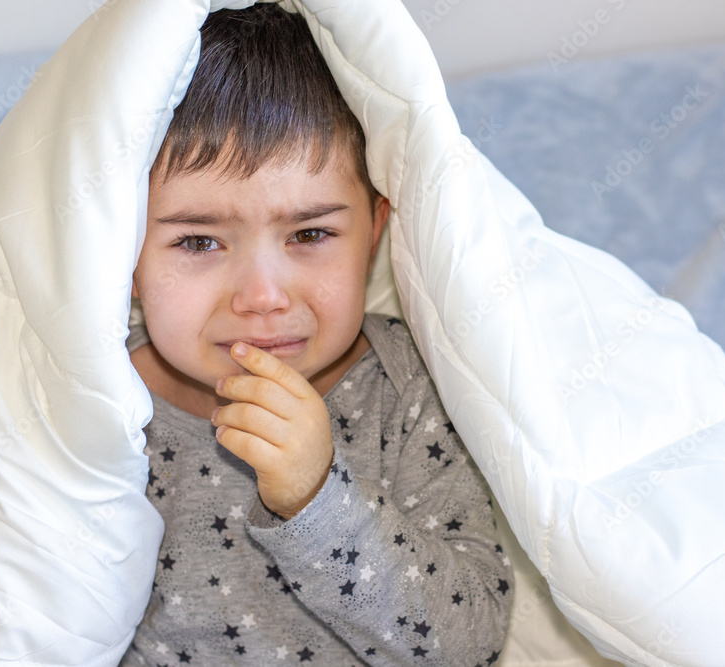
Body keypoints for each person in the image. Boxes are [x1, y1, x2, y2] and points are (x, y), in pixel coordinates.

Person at [121, 5, 512, 665]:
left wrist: (316, 495)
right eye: (198, 241)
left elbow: (468, 643)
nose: (262, 296)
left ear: (374, 236)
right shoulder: (101, 399)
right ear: (125, 255)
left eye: (309, 234)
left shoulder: (409, 388)